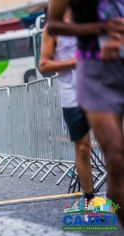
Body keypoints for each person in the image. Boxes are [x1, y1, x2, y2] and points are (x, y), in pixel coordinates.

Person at [47, 0, 124, 226]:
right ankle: (93, 200)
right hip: (96, 72)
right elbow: (53, 26)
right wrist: (100, 28)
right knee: (115, 157)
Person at [39, 7, 95, 204]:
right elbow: (43, 65)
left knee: (113, 146)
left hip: (99, 90)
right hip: (72, 96)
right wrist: (74, 62)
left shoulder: (89, 18)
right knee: (83, 148)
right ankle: (90, 199)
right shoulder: (51, 30)